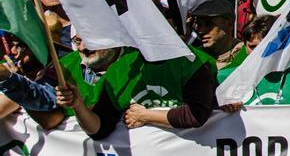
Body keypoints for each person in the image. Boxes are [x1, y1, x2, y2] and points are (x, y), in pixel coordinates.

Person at [56, 39, 218, 136]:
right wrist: (78, 105)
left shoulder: (191, 61)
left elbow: (196, 114)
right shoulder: (122, 70)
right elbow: (98, 130)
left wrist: (146, 115)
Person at [187, 0, 239, 69]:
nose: (201, 31)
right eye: (199, 25)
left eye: (208, 24)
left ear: (229, 24)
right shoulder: (194, 58)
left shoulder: (248, 54)